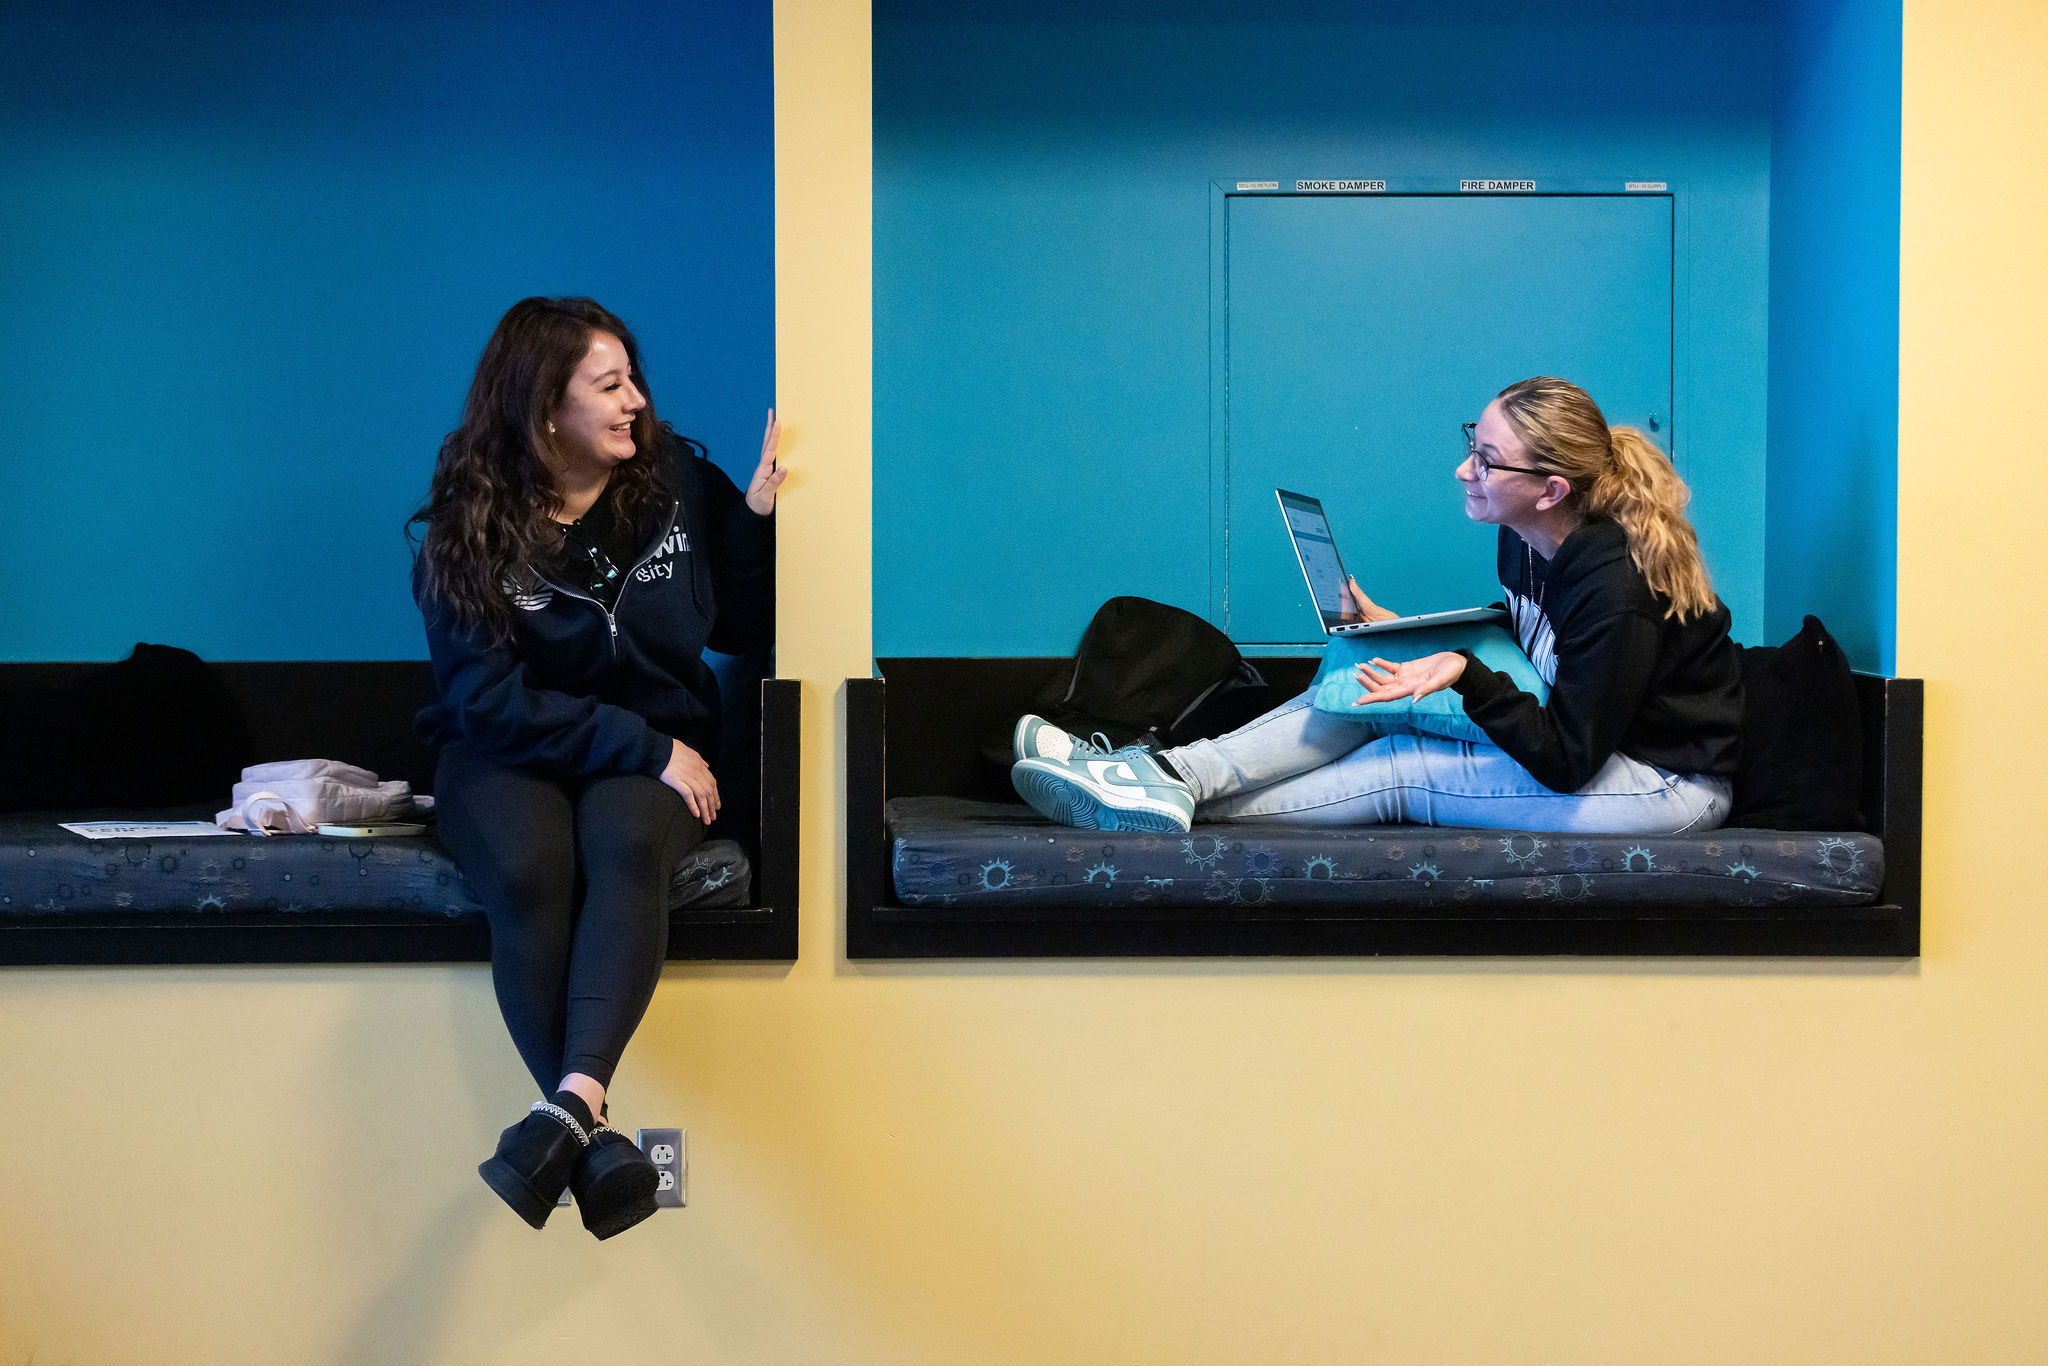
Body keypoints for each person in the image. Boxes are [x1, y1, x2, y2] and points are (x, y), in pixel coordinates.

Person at [408, 297, 783, 1238]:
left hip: (654, 750)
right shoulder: (472, 526)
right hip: (506, 751)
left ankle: (567, 1118)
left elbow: (737, 624)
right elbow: (486, 705)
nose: (637, 403)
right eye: (609, 386)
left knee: (622, 840)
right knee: (532, 868)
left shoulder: (675, 484)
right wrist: (643, 747)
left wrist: (759, 520)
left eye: (634, 380)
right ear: (544, 409)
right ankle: (595, 1135)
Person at [1011, 376, 1741, 837]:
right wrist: (1407, 634)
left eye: (1487, 461)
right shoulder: (1524, 539)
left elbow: (1567, 759)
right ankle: (1162, 774)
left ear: (1551, 490)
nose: (1466, 469)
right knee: (1367, 680)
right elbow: (1535, 642)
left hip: (1660, 780)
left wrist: (1464, 673)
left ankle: (1156, 802)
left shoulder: (1616, 588)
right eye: (1472, 443)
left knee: (1398, 764)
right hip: (1583, 736)